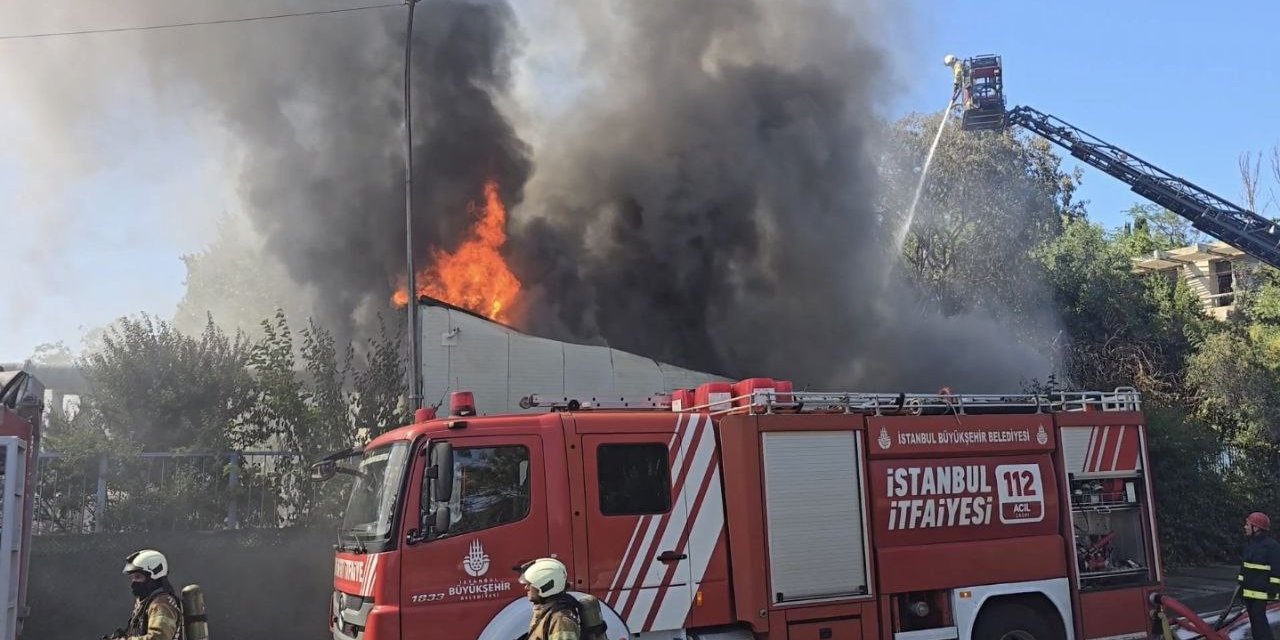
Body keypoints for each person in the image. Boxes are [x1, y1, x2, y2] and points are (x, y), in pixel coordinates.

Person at [117, 549, 184, 640]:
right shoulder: (147, 602)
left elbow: (158, 637)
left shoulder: (161, 605)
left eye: (138, 577)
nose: (133, 582)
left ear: (154, 576)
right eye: (132, 577)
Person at [1238, 511, 1280, 640]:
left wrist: (1274, 587)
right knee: (1255, 625)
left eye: (1247, 524)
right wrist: (1240, 585)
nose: (1245, 527)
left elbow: (1277, 569)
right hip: (1249, 592)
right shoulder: (1250, 544)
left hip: (1261, 593)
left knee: (1260, 624)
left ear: (1256, 528)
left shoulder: (1272, 547)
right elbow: (1245, 567)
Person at [519, 558, 580, 640]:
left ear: (545, 585)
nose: (526, 588)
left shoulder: (560, 621)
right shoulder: (546, 611)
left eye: (530, 584)